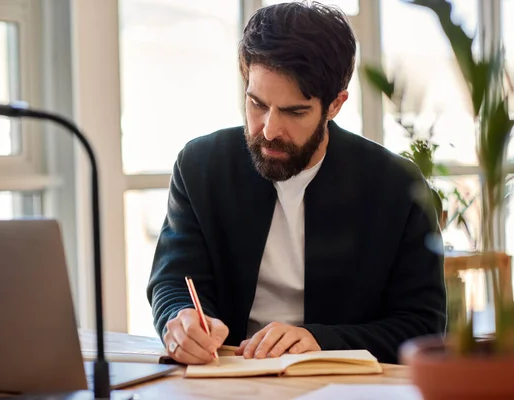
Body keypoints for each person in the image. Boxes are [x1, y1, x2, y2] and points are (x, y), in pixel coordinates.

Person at [147, 1, 446, 366]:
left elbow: (423, 326)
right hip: (227, 378)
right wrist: (179, 321)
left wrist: (320, 340)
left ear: (335, 105)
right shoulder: (200, 166)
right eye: (257, 104)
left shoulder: (396, 185)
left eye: (294, 112)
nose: (270, 130)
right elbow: (173, 281)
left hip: (346, 388)